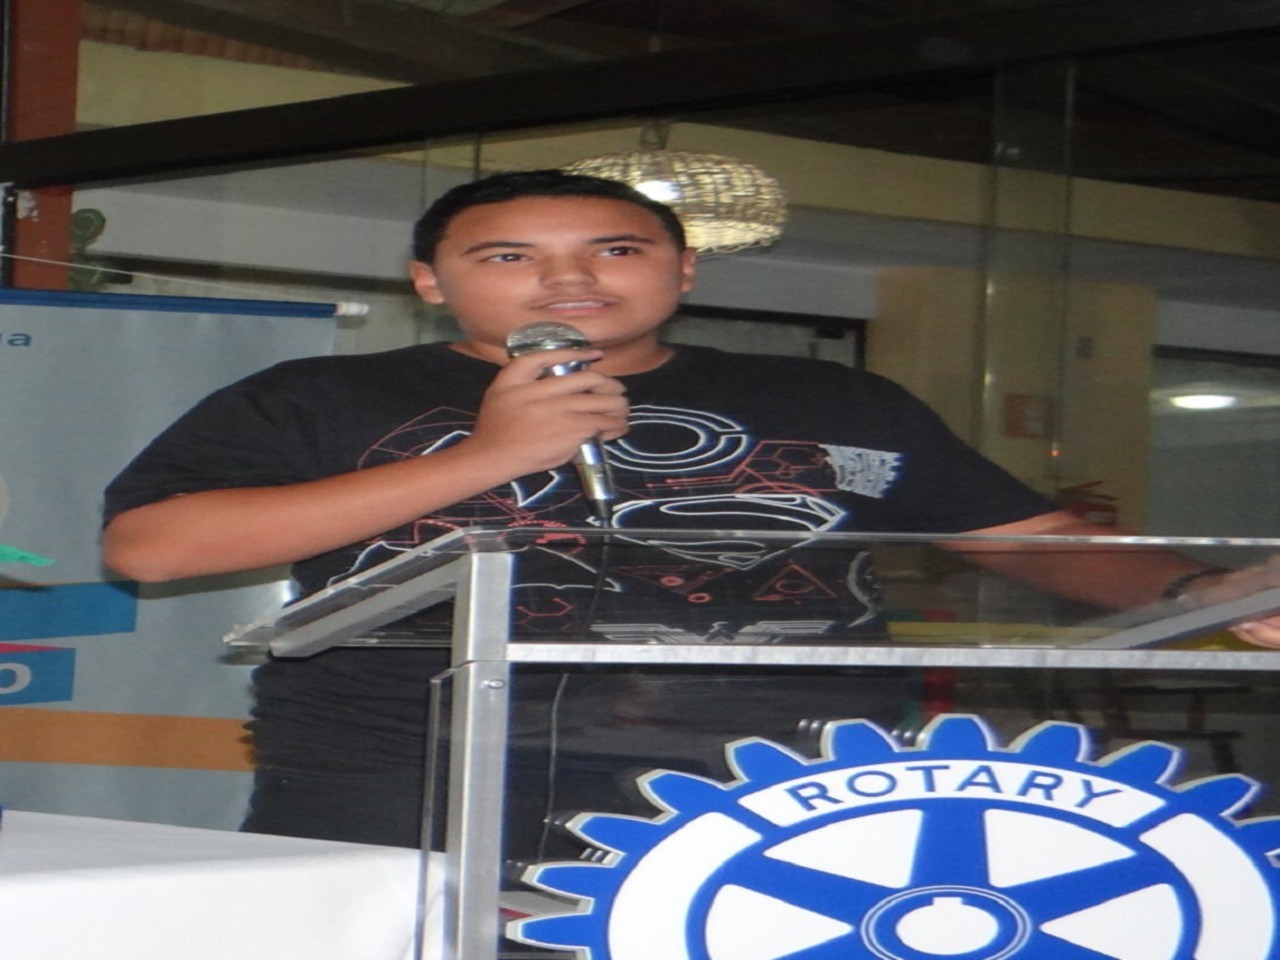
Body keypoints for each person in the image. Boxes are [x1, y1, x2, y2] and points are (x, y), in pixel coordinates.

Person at [102, 170, 1278, 851]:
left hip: (779, 780)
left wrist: (1198, 589)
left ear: (682, 269)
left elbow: (1033, 545)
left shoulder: (832, 398)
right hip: (408, 782)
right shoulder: (317, 397)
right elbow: (152, 549)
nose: (568, 279)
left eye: (615, 249)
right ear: (429, 282)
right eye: (508, 256)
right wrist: (490, 457)